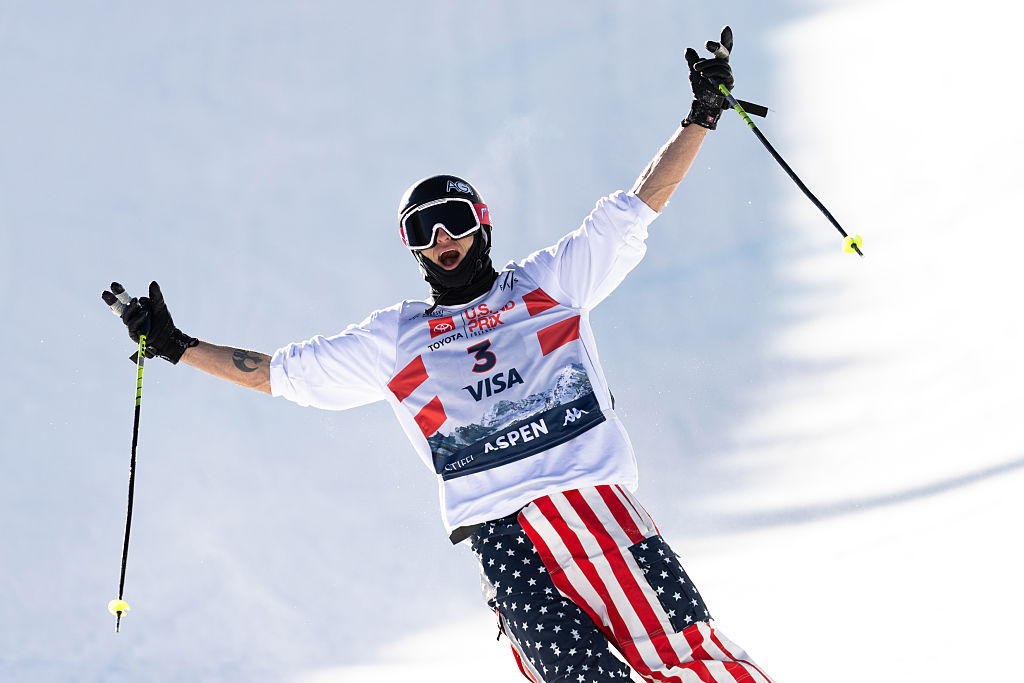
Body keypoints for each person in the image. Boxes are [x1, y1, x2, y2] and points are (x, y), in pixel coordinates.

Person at [102, 26, 772, 683]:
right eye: (423, 228)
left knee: (686, 656)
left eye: (453, 217)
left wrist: (701, 116)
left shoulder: (547, 285)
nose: (443, 236)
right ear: (414, 248)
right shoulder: (398, 339)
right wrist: (175, 346)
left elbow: (637, 206)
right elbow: (282, 374)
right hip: (501, 543)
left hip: (591, 506)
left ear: (482, 223)